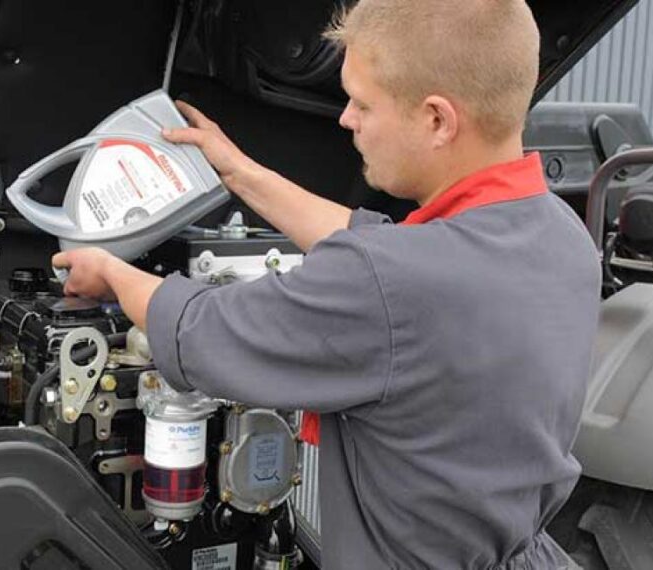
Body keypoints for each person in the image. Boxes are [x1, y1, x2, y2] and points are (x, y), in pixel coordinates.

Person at [52, 0, 600, 567]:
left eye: (363, 103)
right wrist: (239, 172)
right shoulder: (561, 237)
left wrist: (115, 275)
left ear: (437, 119)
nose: (346, 119)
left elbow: (202, 330)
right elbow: (374, 244)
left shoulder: (393, 283)